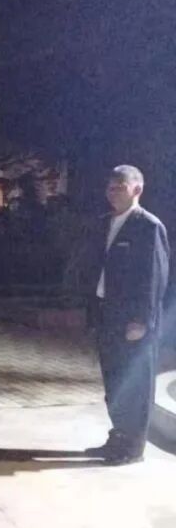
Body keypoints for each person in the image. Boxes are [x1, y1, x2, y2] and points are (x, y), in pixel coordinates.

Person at [85, 165, 170, 466]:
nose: (112, 192)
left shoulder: (148, 226)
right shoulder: (104, 223)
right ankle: (118, 436)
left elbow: (154, 278)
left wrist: (142, 321)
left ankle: (133, 448)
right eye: (109, 186)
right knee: (114, 382)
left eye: (119, 186)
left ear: (137, 189)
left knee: (135, 385)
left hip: (132, 322)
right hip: (106, 314)